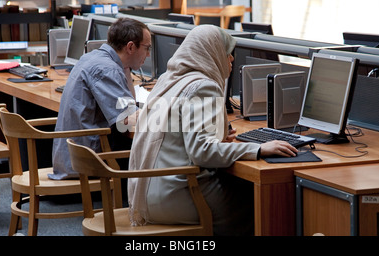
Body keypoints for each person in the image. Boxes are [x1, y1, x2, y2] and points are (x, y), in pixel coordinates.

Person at [128, 25, 297, 235]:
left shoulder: (168, 80)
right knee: (261, 201)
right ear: (211, 53)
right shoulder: (203, 86)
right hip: (178, 195)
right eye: (227, 53)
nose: (232, 59)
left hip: (148, 191)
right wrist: (259, 149)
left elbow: (173, 132)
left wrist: (217, 136)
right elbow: (201, 152)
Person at [50, 17, 151, 180]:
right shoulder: (106, 69)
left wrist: (126, 67)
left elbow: (128, 104)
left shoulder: (93, 58)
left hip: (72, 158)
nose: (148, 54)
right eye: (147, 48)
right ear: (131, 47)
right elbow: (126, 121)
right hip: (88, 165)